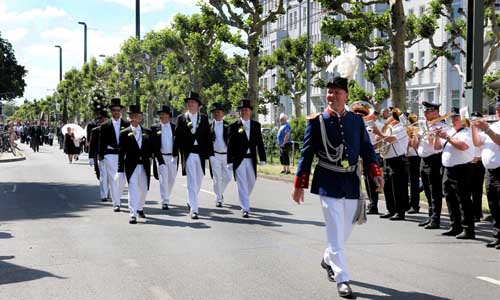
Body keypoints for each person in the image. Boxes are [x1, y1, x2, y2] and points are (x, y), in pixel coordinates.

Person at [291, 77, 384, 298]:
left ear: (346, 96)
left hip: (351, 180)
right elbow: (306, 154)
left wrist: (375, 172)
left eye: (337, 92)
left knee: (346, 228)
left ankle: (327, 258)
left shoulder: (356, 121)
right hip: (327, 181)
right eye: (329, 92)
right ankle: (342, 278)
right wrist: (299, 184)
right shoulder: (317, 122)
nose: (332, 96)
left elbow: (367, 149)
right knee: (334, 230)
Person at [434, 107, 475, 239]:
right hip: (448, 169)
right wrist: (436, 136)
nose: (453, 121)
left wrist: (447, 138)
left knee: (463, 199)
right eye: (452, 118)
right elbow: (437, 147)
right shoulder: (451, 131)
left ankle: (468, 229)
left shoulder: (466, 132)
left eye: (456, 118)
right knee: (450, 198)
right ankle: (455, 226)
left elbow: (463, 146)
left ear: (463, 120)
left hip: (461, 169)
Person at [174, 92, 214, 219]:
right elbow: (177, 137)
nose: (190, 104)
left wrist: (210, 154)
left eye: (193, 102)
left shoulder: (204, 118)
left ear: (198, 105)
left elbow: (208, 137)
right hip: (188, 153)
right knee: (191, 180)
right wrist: (176, 153)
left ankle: (190, 200)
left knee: (199, 178)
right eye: (189, 102)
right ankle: (194, 209)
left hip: (200, 154)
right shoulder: (181, 118)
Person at [227, 99, 267, 218]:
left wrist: (263, 157)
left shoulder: (256, 125)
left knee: (252, 181)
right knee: (242, 183)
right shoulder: (234, 126)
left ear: (250, 112)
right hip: (239, 160)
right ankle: (245, 208)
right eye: (242, 110)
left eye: (246, 110)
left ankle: (243, 198)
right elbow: (230, 145)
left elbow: (260, 143)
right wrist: (229, 161)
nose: (244, 112)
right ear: (240, 112)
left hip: (251, 159)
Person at [116, 105, 153, 224]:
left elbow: (152, 150)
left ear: (141, 117)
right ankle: (133, 214)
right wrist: (120, 169)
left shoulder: (147, 132)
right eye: (131, 116)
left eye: (136, 116)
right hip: (131, 165)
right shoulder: (124, 133)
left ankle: (140, 207)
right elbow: (121, 153)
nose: (134, 118)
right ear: (129, 117)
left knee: (144, 189)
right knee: (132, 189)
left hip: (145, 165)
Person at [471, 99, 500, 250]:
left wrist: (487, 128)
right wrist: (473, 127)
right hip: (490, 171)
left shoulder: (492, 127)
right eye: (497, 109)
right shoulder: (494, 125)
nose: (497, 112)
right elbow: (477, 143)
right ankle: (497, 236)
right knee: (494, 204)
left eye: (499, 109)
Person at [415, 101, 447, 229]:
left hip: (435, 160)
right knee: (427, 190)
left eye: (428, 111)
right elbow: (415, 145)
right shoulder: (424, 125)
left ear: (435, 112)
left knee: (435, 191)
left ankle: (436, 219)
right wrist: (413, 135)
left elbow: (435, 146)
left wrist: (428, 132)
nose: (425, 113)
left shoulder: (441, 126)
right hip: (424, 160)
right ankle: (430, 216)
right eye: (425, 111)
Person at [376, 108, 410, 220]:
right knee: (388, 187)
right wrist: (379, 136)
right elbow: (382, 139)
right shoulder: (390, 128)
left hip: (398, 160)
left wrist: (379, 134)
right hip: (387, 159)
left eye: (393, 116)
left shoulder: (401, 128)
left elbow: (392, 139)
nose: (390, 117)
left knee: (398, 187)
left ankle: (400, 212)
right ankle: (390, 209)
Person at [98, 98, 130, 212]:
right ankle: (116, 203)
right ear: (111, 111)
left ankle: (117, 196)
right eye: (114, 110)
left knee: (122, 179)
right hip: (110, 155)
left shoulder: (127, 124)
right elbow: (101, 142)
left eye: (118, 110)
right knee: (113, 178)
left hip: (123, 155)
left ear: (121, 111)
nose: (116, 112)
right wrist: (100, 156)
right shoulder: (105, 125)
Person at [151, 105, 178, 210]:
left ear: (168, 116)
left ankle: (166, 195)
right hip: (161, 156)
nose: (161, 116)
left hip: (173, 157)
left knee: (171, 179)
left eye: (164, 114)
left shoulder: (174, 127)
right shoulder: (155, 128)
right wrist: (157, 158)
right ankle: (164, 201)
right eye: (160, 114)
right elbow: (153, 145)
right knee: (163, 179)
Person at [209, 102, 231, 207]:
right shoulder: (209, 126)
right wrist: (209, 155)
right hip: (215, 155)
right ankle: (218, 199)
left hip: (226, 155)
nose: (217, 114)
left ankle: (219, 192)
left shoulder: (228, 126)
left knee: (228, 177)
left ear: (223, 113)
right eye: (215, 112)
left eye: (219, 112)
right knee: (217, 177)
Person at [89, 110, 110, 202]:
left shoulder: (112, 130)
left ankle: (107, 192)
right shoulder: (95, 131)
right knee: (101, 175)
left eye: (104, 119)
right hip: (99, 155)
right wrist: (90, 157)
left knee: (110, 176)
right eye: (101, 119)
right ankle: (103, 194)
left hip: (111, 155)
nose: (102, 120)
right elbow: (92, 145)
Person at [470, 112, 486, 222]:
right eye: (473, 120)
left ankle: (477, 213)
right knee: (468, 189)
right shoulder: (469, 132)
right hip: (469, 163)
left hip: (478, 163)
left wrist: (478, 158)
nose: (474, 122)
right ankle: (471, 212)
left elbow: (485, 150)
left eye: (476, 120)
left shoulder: (484, 133)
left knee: (477, 190)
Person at [406, 113, 421, 214]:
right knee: (405, 182)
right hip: (406, 157)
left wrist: (411, 134)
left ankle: (414, 205)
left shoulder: (417, 131)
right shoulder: (406, 130)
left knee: (413, 182)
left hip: (414, 157)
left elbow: (414, 144)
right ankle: (406, 203)